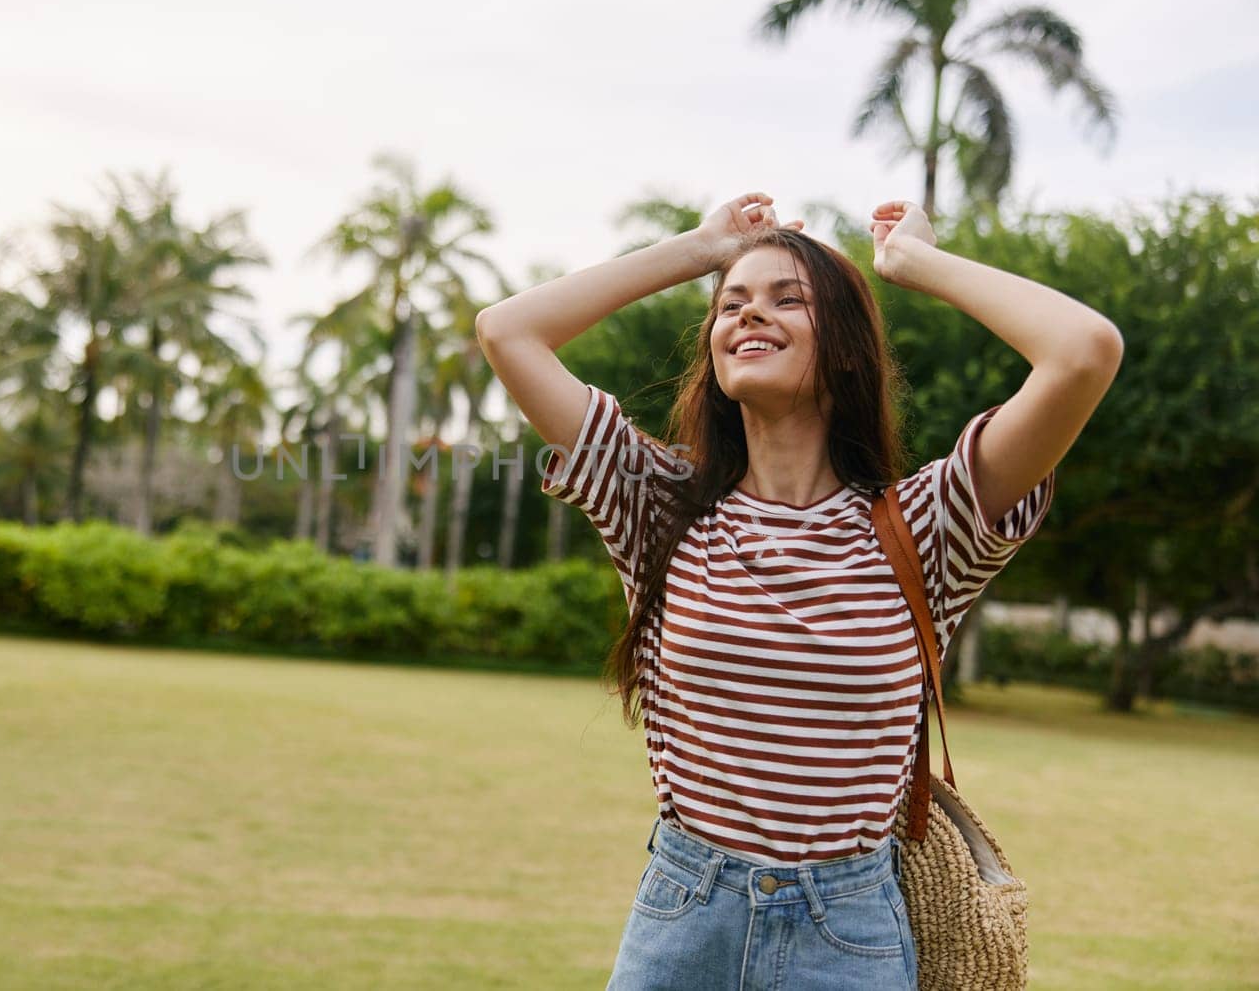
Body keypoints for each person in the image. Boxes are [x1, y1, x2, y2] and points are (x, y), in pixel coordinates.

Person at [474, 193, 1123, 990]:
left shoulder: (926, 523)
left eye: (789, 299)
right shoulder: (658, 505)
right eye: (732, 304)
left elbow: (1085, 349)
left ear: (847, 351)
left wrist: (913, 262)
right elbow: (507, 330)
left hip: (848, 935)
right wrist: (701, 248)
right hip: (685, 918)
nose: (750, 316)